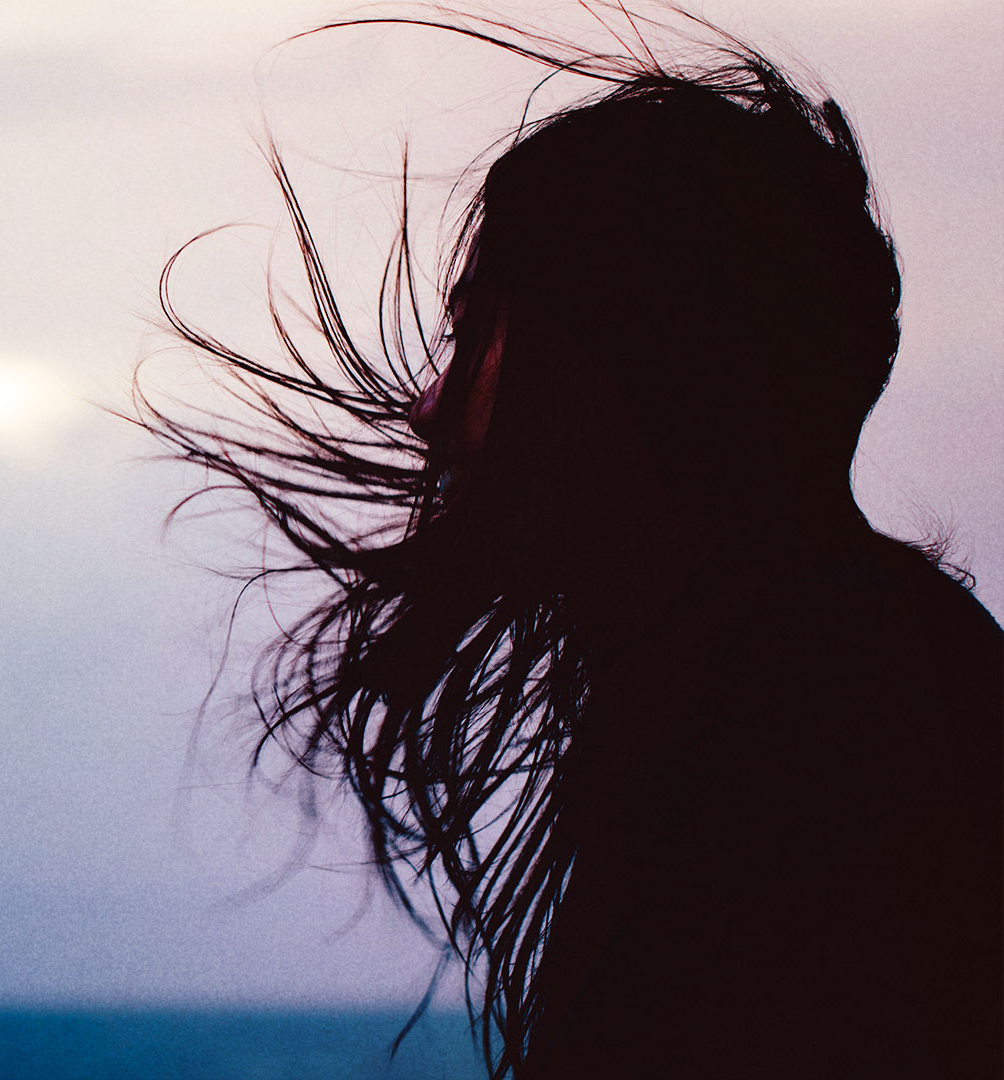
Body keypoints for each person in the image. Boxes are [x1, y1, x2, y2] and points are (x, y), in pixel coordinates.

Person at [138, 9, 1002, 1076]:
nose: (432, 403)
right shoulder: (856, 660)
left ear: (607, 367)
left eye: (474, 333)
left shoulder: (799, 702)